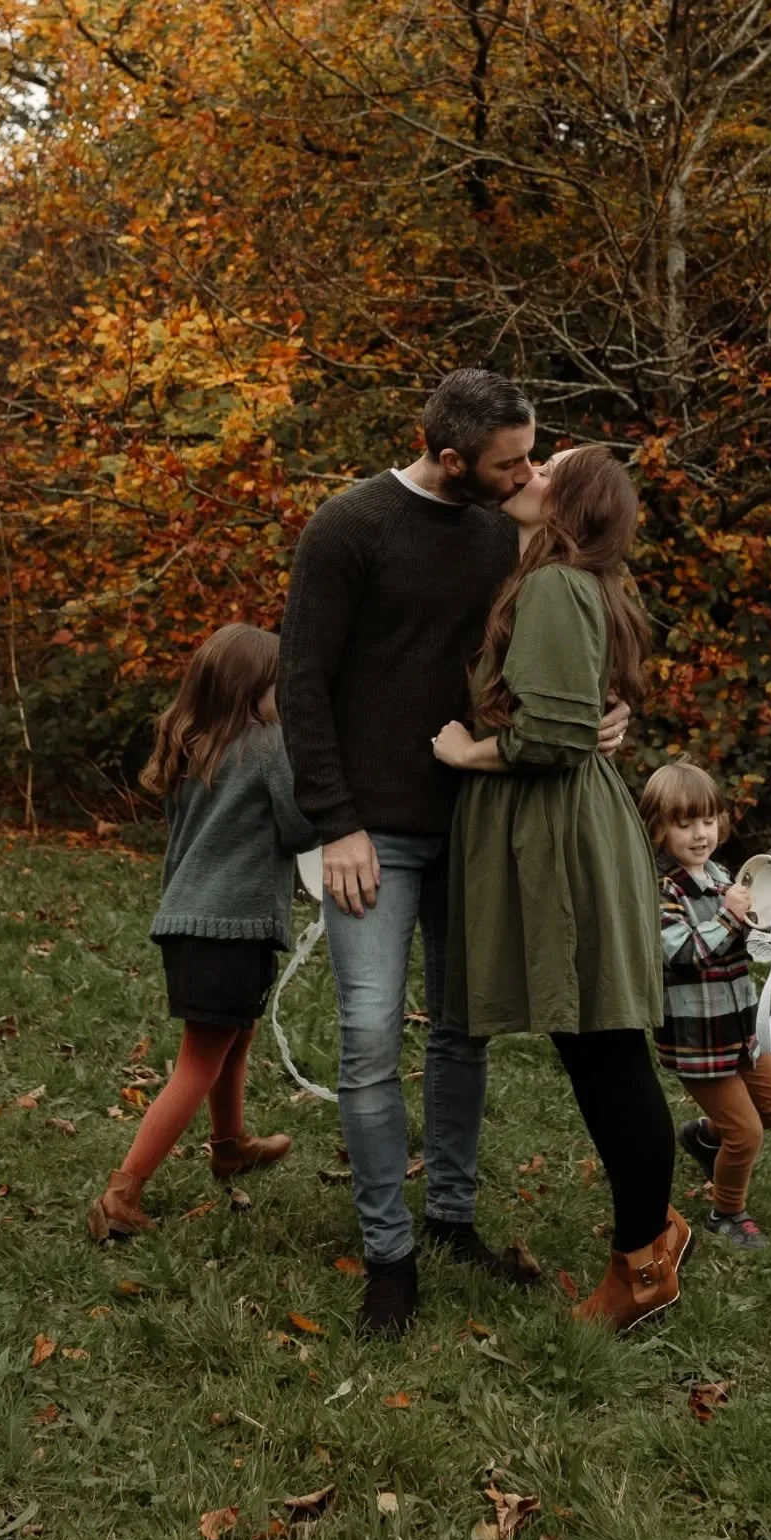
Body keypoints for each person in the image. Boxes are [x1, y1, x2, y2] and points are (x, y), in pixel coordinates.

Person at [277, 372, 630, 1336]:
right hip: (370, 833)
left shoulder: (503, 533)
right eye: (511, 462)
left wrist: (601, 711)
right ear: (447, 457)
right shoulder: (349, 528)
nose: (529, 474)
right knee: (366, 1032)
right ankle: (388, 1258)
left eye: (532, 455)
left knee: (462, 1032)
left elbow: (550, 645)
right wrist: (335, 823)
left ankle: (451, 1218)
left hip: (479, 818)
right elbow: (300, 684)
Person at [434, 445, 690, 1334]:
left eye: (548, 468)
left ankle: (644, 1264)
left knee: (605, 1052)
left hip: (566, 838)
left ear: (570, 503)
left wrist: (467, 750)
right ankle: (653, 1238)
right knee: (601, 1048)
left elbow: (549, 732)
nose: (529, 472)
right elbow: (581, 714)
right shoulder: (581, 586)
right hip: (576, 829)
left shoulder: (554, 587)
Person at [87, 624, 315, 1241]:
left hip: (186, 924)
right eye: (277, 685)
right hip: (231, 929)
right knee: (198, 1063)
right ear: (252, 690)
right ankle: (122, 1193)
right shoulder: (268, 744)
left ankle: (230, 1144)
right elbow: (297, 829)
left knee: (233, 1034)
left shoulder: (193, 744)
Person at [639, 760, 771, 1248]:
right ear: (657, 827)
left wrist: (768, 932)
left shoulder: (721, 876)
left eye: (708, 821)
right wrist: (733, 920)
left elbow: (737, 940)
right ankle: (726, 1214)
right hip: (699, 1041)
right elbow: (684, 952)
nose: (699, 833)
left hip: (739, 1028)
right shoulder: (660, 889)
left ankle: (707, 1136)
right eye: (684, 823)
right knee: (747, 1132)